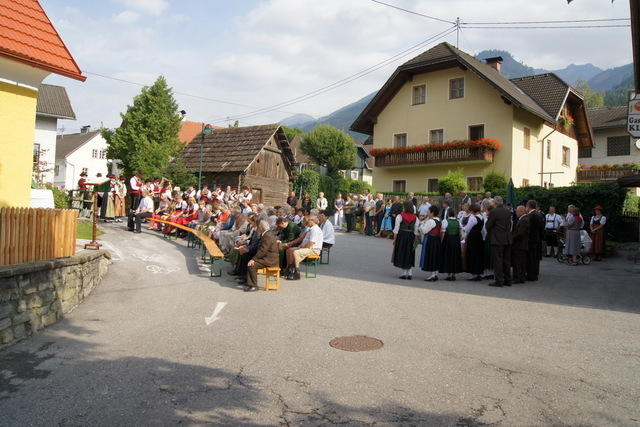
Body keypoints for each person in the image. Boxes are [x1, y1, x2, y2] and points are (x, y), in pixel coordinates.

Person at [244, 220, 280, 292]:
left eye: (258, 227)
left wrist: (254, 259)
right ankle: (248, 282)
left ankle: (253, 285)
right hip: (267, 257)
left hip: (270, 260)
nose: (257, 228)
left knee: (252, 265)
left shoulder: (267, 236)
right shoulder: (266, 233)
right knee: (247, 258)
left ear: (261, 228)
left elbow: (263, 250)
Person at [284, 215, 323, 280]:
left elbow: (311, 243)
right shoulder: (311, 229)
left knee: (296, 252)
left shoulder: (315, 229)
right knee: (289, 250)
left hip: (314, 250)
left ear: (312, 221)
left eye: (309, 220)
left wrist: (302, 248)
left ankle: (296, 273)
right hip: (309, 248)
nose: (307, 221)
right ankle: (290, 269)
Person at [485, 196, 512, 287]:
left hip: (497, 239)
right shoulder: (508, 211)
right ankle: (508, 280)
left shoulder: (494, 212)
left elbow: (488, 225)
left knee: (497, 260)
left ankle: (499, 280)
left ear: (495, 203)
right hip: (507, 238)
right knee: (506, 260)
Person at [391, 201, 419, 280]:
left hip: (402, 236)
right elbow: (416, 231)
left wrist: (395, 239)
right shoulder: (415, 217)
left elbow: (396, 230)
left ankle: (404, 273)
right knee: (410, 253)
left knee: (402, 252)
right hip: (411, 236)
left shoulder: (400, 216)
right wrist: (415, 240)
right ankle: (409, 273)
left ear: (405, 207)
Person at [440, 207, 463, 281]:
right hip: (456, 240)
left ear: (448, 214)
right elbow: (460, 232)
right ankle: (454, 274)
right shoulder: (458, 221)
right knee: (455, 256)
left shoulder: (445, 221)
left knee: (448, 256)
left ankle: (449, 275)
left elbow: (443, 233)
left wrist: (441, 241)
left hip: (448, 240)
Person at [419, 205, 441, 282]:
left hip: (431, 240)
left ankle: (432, 275)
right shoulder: (438, 220)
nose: (427, 213)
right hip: (436, 240)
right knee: (435, 256)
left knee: (431, 256)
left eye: (428, 212)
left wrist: (421, 224)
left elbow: (424, 231)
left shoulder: (431, 221)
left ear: (432, 213)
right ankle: (435, 274)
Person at [464, 204, 484, 281]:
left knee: (472, 254)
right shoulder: (481, 217)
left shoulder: (473, 218)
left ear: (472, 211)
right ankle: (478, 273)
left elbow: (467, 229)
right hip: (479, 236)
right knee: (478, 254)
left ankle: (474, 273)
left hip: (473, 237)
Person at [525, 200, 544, 281]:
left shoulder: (531, 215)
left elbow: (528, 228)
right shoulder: (538, 214)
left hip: (531, 239)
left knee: (531, 258)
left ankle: (531, 275)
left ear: (528, 206)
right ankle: (534, 273)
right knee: (535, 257)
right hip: (536, 238)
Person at [511, 206, 530, 284]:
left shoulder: (524, 220)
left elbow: (520, 234)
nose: (516, 213)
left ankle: (517, 278)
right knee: (521, 262)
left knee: (518, 262)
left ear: (522, 211)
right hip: (521, 244)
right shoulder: (523, 219)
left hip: (520, 244)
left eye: (517, 211)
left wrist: (511, 238)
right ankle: (521, 277)